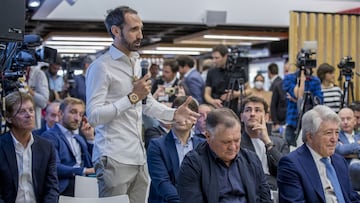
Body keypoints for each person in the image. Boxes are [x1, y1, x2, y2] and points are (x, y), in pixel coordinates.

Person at [85, 6, 199, 202]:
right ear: (116, 31)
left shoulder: (135, 62)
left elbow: (146, 103)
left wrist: (174, 115)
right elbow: (94, 117)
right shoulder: (101, 67)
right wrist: (131, 98)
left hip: (138, 155)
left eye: (141, 28)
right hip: (113, 156)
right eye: (134, 29)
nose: (140, 35)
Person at [177, 108, 272, 203]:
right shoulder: (193, 164)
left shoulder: (251, 159)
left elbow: (265, 198)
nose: (233, 147)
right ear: (208, 137)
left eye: (237, 140)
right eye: (226, 142)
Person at [277, 105, 360, 202]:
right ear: (310, 137)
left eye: (337, 132)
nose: (334, 139)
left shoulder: (339, 161)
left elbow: (352, 197)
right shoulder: (291, 165)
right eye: (328, 133)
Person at [0, 92, 58, 202]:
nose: (29, 115)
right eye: (22, 111)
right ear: (8, 118)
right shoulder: (1, 146)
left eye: (31, 110)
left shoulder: (46, 147)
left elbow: (51, 188)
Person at [147, 96, 204, 203]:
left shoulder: (203, 145)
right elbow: (162, 182)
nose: (182, 119)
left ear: (195, 119)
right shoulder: (157, 145)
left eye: (188, 115)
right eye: (179, 113)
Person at [42, 97, 94, 196]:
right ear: (60, 114)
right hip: (64, 188)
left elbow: (91, 164)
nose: (77, 118)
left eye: (80, 114)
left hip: (84, 185)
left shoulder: (80, 138)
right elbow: (54, 167)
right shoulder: (49, 136)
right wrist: (84, 171)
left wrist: (90, 139)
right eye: (73, 112)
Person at [240, 96, 289, 190]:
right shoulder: (236, 143)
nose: (252, 114)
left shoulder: (280, 142)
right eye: (248, 110)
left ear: (266, 117)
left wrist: (267, 142)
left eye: (257, 110)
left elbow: (287, 170)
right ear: (242, 117)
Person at [283, 64, 323, 146]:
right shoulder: (289, 78)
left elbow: (318, 102)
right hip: (293, 123)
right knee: (292, 152)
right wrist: (302, 79)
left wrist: (297, 100)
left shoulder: (315, 81)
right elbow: (297, 94)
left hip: (311, 123)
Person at [268, 63, 286, 128]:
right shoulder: (279, 83)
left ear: (269, 72)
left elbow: (273, 104)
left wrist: (275, 122)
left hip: (281, 120)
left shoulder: (278, 84)